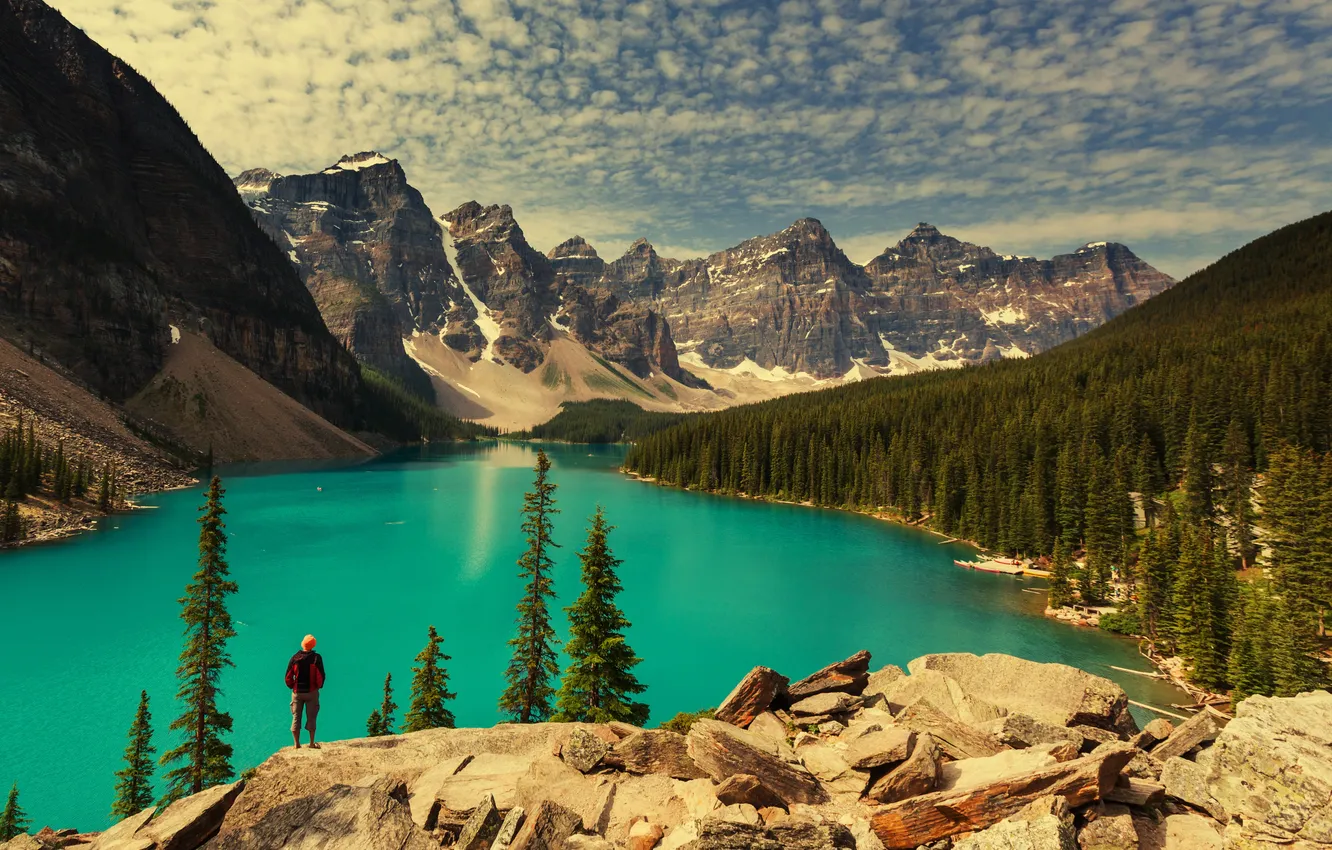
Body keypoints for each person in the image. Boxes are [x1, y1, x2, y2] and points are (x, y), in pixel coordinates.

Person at [285, 634, 326, 749]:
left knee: (296, 717)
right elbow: (320, 676)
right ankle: (311, 743)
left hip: (297, 692)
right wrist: (318, 687)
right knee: (311, 717)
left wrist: (292, 687)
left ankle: (296, 744)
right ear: (313, 645)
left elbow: (288, 677)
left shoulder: (295, 658)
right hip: (311, 692)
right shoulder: (316, 658)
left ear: (303, 644)